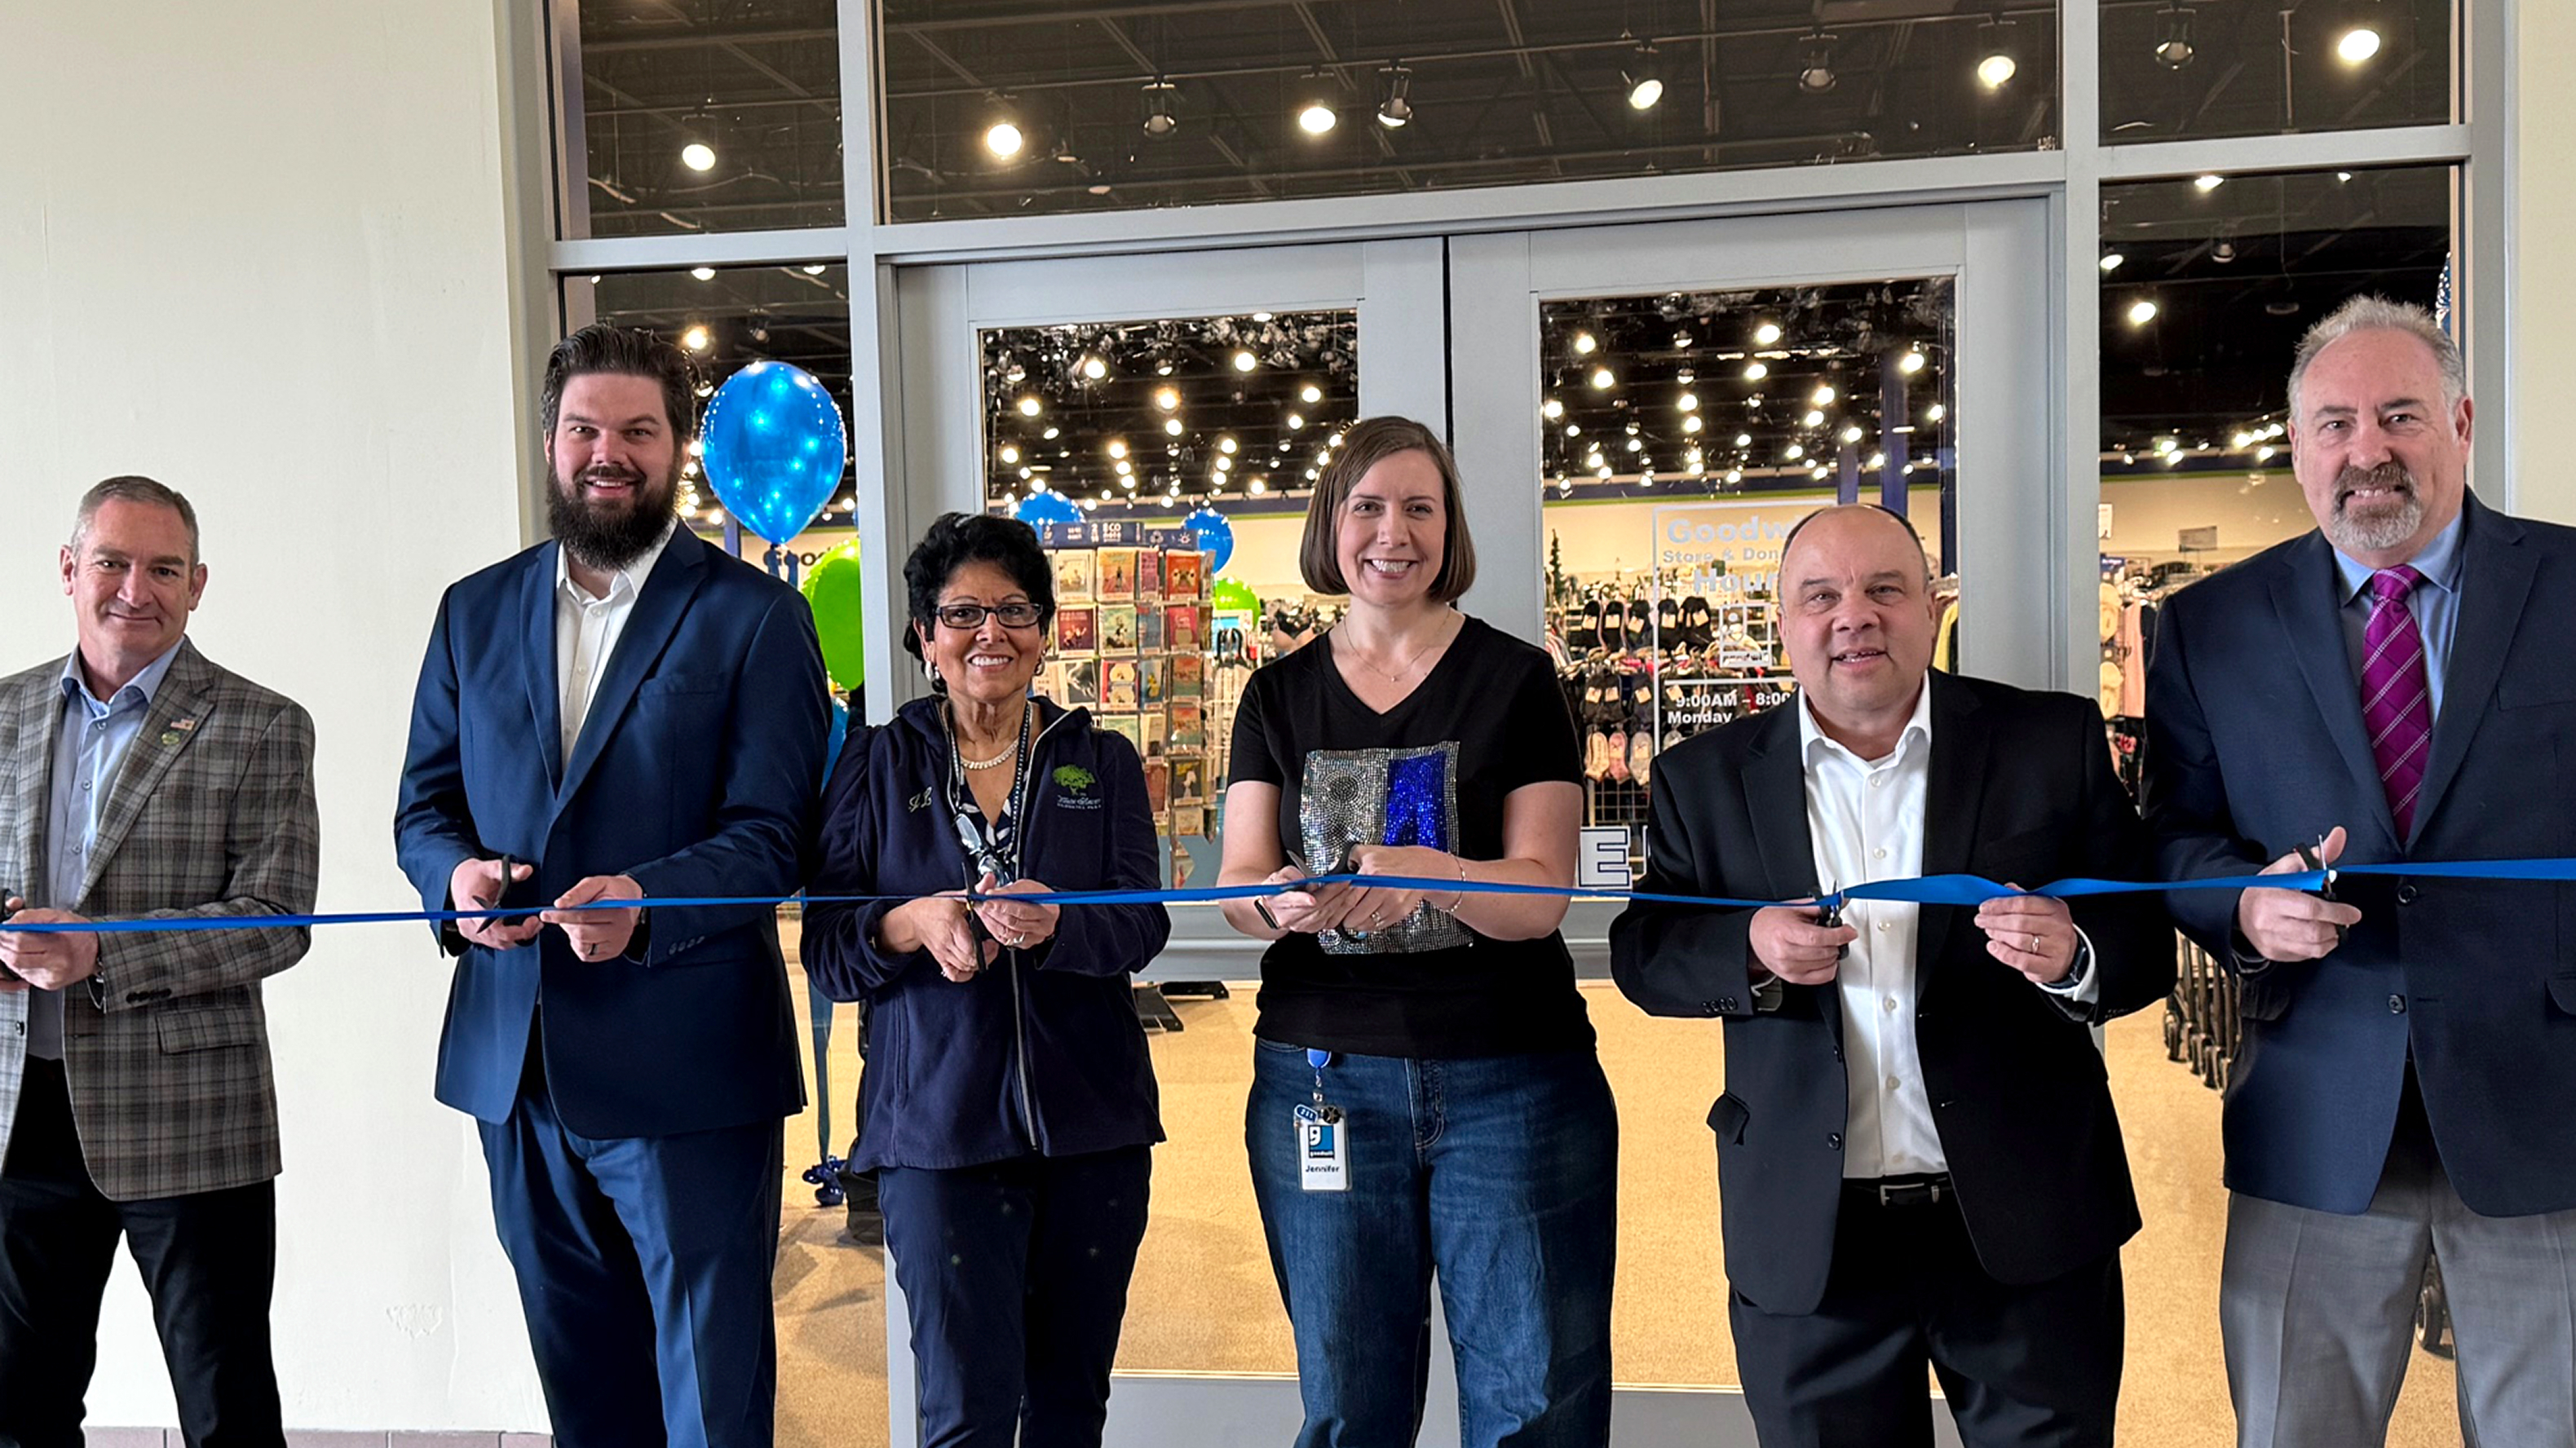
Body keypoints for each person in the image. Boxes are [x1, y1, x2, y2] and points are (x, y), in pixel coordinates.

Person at [1611, 504, 2172, 1448]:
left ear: (1928, 607)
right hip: (1811, 1239)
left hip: (2024, 1219)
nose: (1853, 617)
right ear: (1784, 621)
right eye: (1820, 596)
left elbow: (2146, 931)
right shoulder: (1700, 778)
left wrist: (2076, 953)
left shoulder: (2048, 741)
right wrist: (1748, 947)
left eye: (1884, 590)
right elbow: (1646, 950)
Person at [2142, 295, 2576, 1448]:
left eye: (2396, 415)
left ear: (2460, 422)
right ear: (2295, 449)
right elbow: (2170, 840)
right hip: (2314, 1111)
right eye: (2332, 424)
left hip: (2542, 1112)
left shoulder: (2568, 587)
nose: (2365, 450)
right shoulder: (2205, 628)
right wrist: (2239, 902)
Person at [392, 324, 828, 1448]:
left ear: (677, 447)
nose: (608, 452)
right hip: (515, 1066)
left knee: (709, 1390)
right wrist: (457, 880)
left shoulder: (753, 617)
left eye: (637, 430)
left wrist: (645, 899)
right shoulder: (470, 610)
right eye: (584, 428)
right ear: (548, 441)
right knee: (581, 1386)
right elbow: (422, 811)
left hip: (687, 1069)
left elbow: (775, 836)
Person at [1215, 416, 1614, 1448]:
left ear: (1450, 528)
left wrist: (1433, 874)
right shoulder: (1275, 692)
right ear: (1331, 525)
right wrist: (1284, 903)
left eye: (1420, 508)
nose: (1395, 532)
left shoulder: (1520, 680)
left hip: (1512, 1079)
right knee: (1349, 1405)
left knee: (1537, 1405)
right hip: (1324, 1079)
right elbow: (1239, 885)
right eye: (1369, 507)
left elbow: (1538, 900)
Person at [803, 510, 1168, 1448]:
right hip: (936, 1133)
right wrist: (909, 923)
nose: (990, 634)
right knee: (963, 1414)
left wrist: (1056, 925)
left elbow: (1142, 922)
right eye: (962, 612)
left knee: (1068, 1409)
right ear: (925, 636)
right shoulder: (875, 764)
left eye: (1014, 611)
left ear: (1044, 632)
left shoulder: (1103, 761)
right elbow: (830, 948)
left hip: (1093, 1128)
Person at [0, 476, 320, 1448]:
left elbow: (277, 921)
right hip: (22, 1115)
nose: (134, 589)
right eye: (112, 561)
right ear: (69, 570)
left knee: (224, 1409)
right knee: (20, 1407)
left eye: (163, 569)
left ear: (197, 584)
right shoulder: (6, 712)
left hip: (189, 1121)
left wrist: (103, 954)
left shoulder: (262, 723)